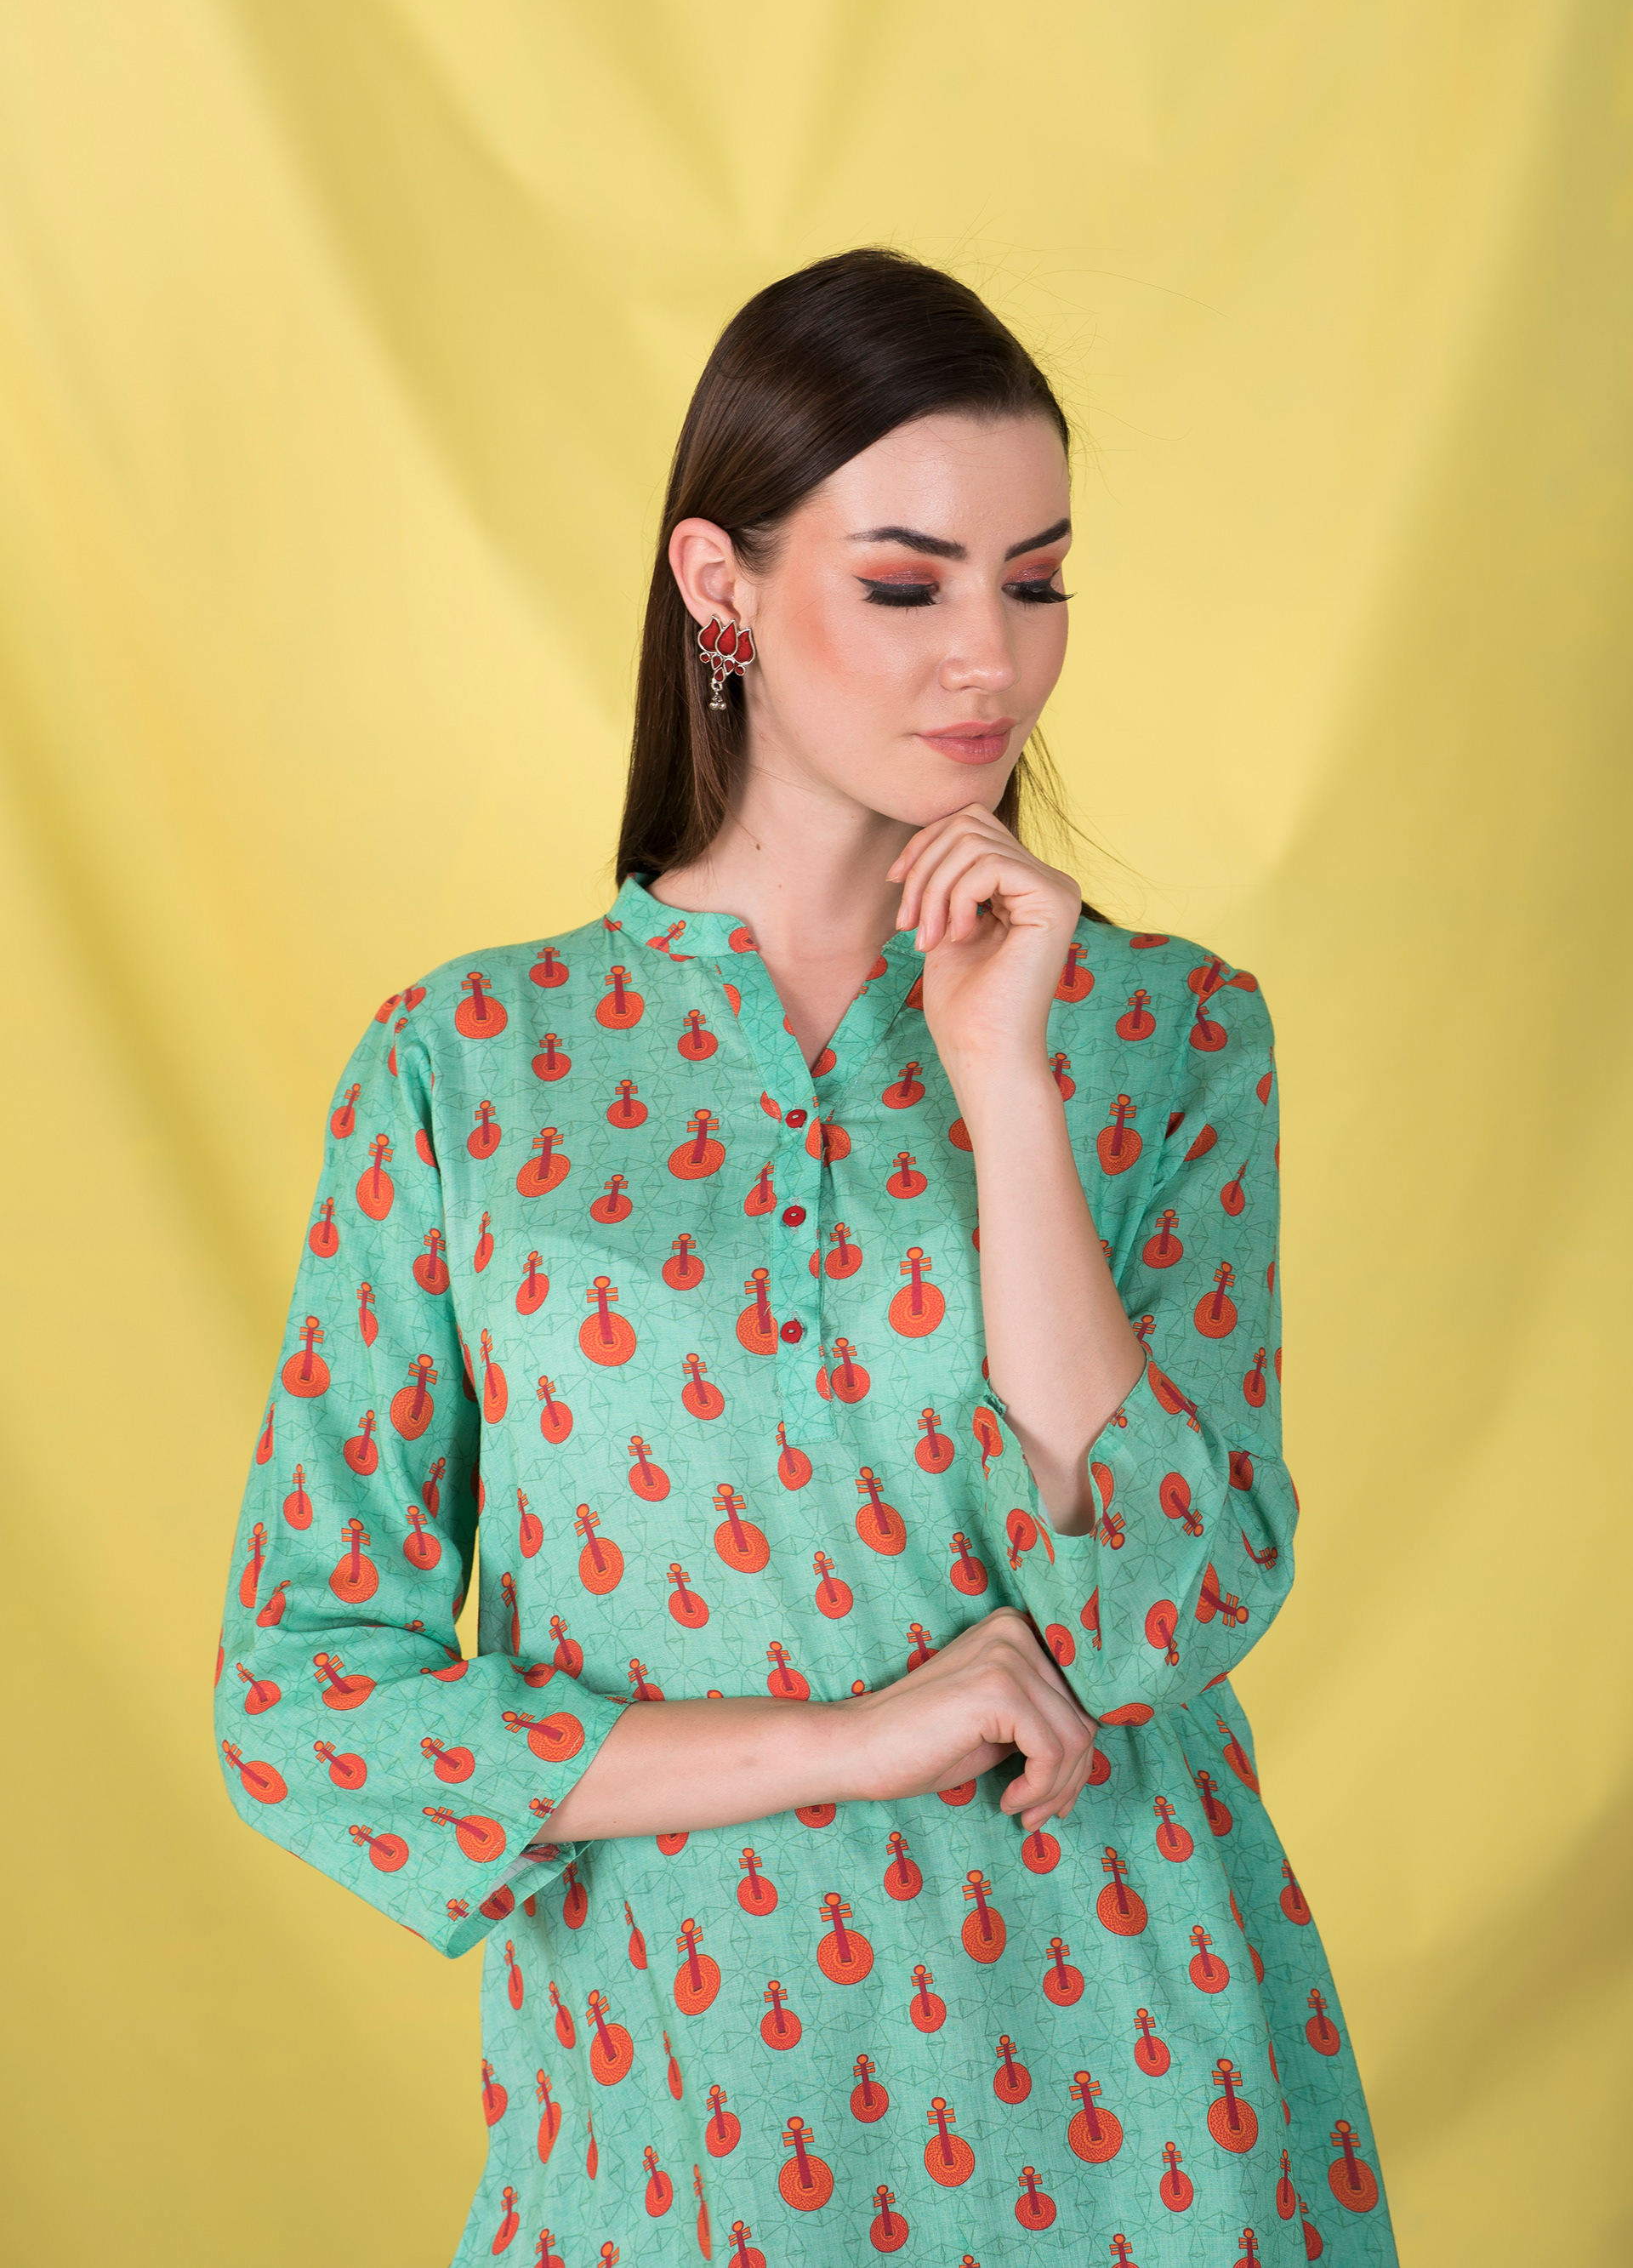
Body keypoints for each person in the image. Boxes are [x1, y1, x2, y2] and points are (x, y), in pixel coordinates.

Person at [213, 248, 1396, 2264]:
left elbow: (1159, 1612)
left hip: (1145, 2115)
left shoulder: (1168, 1035)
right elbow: (307, 1696)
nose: (993, 660)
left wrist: (1004, 1082)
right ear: (722, 588)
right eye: (910, 584)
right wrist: (852, 1741)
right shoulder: (467, 1070)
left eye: (1037, 581)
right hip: (688, 2140)